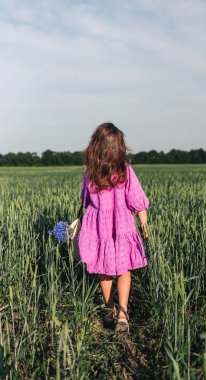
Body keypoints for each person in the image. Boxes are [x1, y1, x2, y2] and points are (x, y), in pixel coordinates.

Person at [77, 122, 149, 333]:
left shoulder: (90, 172)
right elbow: (136, 199)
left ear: (95, 147)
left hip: (99, 229)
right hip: (122, 226)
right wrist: (144, 223)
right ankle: (123, 314)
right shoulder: (125, 170)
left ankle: (109, 310)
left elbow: (84, 201)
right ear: (118, 147)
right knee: (124, 270)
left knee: (104, 271)